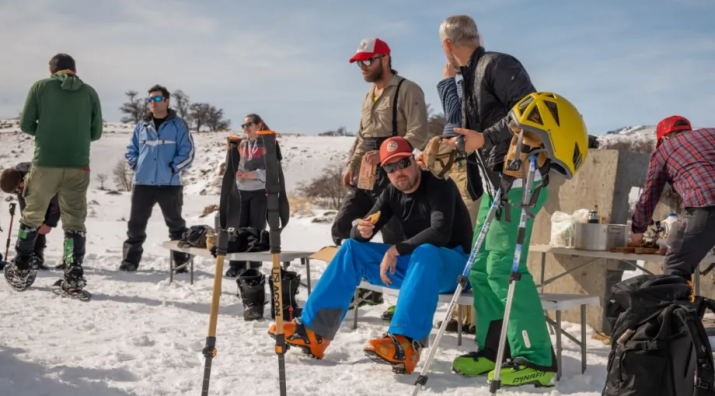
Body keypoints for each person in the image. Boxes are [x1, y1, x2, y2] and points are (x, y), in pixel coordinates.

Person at [268, 136, 473, 374]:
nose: (399, 172)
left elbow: (440, 232)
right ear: (385, 171)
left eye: (403, 163)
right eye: (390, 167)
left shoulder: (439, 184)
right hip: (416, 266)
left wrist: (396, 249)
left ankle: (405, 344)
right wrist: (360, 229)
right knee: (351, 250)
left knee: (425, 251)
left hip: (453, 267)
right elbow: (361, 231)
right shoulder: (391, 193)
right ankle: (314, 332)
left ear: (415, 161)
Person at [438, 15, 559, 386]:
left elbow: (532, 111)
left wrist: (484, 138)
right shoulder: (468, 77)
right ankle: (497, 350)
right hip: (496, 186)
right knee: (481, 269)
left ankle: (537, 360)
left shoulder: (497, 64)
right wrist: (447, 84)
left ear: (447, 45)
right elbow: (455, 127)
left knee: (504, 267)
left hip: (522, 177)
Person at [332, 37, 430, 310]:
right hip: (366, 170)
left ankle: (403, 303)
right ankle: (364, 289)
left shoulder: (408, 89)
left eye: (368, 60)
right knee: (343, 226)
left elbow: (418, 134)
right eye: (359, 62)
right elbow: (363, 136)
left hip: (395, 169)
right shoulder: (368, 95)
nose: (362, 67)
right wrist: (352, 165)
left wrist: (387, 155)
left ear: (385, 58)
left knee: (395, 239)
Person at [5, 53, 102, 293]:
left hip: (45, 162)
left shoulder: (40, 87)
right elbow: (96, 132)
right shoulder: (90, 92)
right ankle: (74, 273)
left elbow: (26, 124)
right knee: (74, 221)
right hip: (79, 164)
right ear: (74, 71)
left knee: (32, 214)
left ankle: (22, 266)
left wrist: (48, 131)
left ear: (52, 71)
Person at [631, 116, 715, 286]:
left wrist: (637, 230)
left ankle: (680, 312)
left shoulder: (664, 150)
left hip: (706, 205)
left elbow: (649, 195)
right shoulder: (711, 134)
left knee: (676, 268)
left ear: (664, 138)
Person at [120, 85, 194, 272]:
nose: (153, 102)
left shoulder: (179, 125)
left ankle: (181, 263)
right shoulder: (142, 125)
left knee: (175, 225)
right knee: (135, 225)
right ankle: (129, 262)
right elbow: (131, 150)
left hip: (169, 184)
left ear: (167, 101)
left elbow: (188, 152)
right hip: (142, 183)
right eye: (150, 99)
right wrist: (136, 165)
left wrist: (173, 168)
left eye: (157, 99)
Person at [224, 113, 271, 278]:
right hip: (241, 191)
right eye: (243, 125)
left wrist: (255, 174)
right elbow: (233, 164)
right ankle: (236, 265)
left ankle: (254, 266)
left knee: (256, 228)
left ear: (259, 125)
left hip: (259, 191)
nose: (245, 128)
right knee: (238, 228)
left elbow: (274, 171)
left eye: (249, 124)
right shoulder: (241, 144)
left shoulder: (268, 144)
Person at [0, 162, 61, 270]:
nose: (17, 192)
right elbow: (23, 201)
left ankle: (71, 262)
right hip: (37, 194)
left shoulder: (40, 179)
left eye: (17, 190)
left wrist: (49, 223)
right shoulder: (17, 177)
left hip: (62, 193)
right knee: (31, 222)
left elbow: (56, 201)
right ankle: (27, 256)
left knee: (70, 227)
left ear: (22, 181)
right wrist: (26, 220)